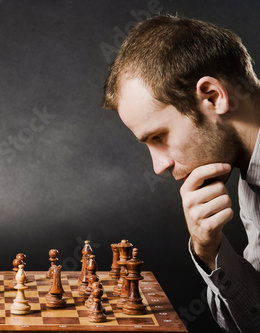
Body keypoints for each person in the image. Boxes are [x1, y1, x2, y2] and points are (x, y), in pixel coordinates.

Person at [102, 15, 260, 332]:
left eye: (159, 137)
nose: (159, 166)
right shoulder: (247, 171)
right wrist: (209, 250)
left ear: (213, 97)